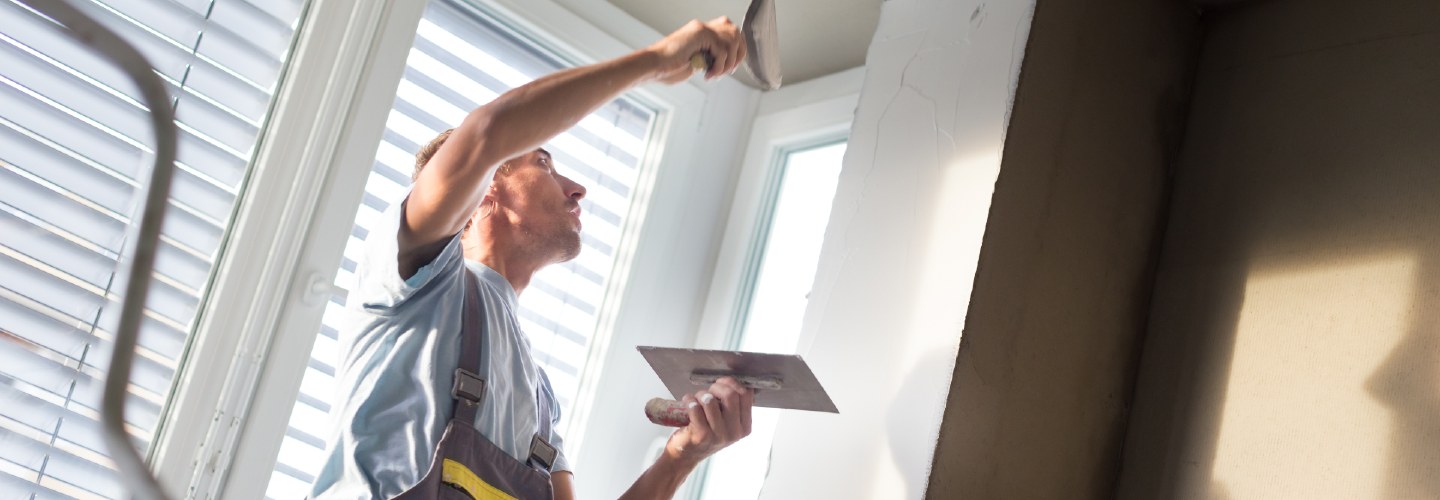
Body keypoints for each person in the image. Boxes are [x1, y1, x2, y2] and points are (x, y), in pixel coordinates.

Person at [309, 17, 755, 500]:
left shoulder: (540, 402)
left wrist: (681, 456)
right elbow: (488, 133)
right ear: (483, 196)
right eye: (542, 163)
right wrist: (655, 61)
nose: (577, 188)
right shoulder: (415, 280)